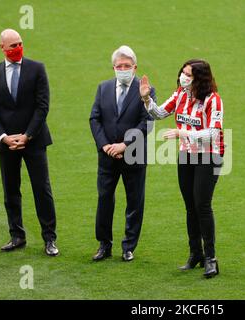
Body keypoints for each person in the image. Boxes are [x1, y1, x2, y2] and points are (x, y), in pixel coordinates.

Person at [139, 59, 224, 278]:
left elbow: (213, 134)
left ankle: (211, 258)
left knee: (202, 204)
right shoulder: (180, 94)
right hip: (186, 154)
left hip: (209, 155)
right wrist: (147, 98)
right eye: (183, 73)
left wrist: (182, 133)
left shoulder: (213, 100)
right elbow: (158, 113)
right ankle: (195, 254)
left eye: (189, 74)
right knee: (190, 206)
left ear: (200, 78)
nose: (183, 77)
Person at [0, 29, 59, 256]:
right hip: (6, 143)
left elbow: (42, 106)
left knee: (42, 189)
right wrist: (4, 137)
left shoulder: (37, 69)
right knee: (11, 190)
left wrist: (27, 135)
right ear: (2, 48)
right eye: (12, 45)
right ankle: (16, 235)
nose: (17, 48)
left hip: (34, 141)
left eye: (20, 43)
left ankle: (49, 239)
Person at [90, 45, 155, 262]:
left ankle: (128, 246)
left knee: (134, 201)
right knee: (104, 199)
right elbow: (95, 118)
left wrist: (125, 144)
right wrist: (105, 145)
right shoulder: (103, 88)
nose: (123, 69)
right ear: (113, 68)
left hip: (134, 155)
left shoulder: (146, 90)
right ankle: (104, 244)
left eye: (127, 66)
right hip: (107, 155)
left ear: (135, 67)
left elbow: (147, 122)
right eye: (120, 66)